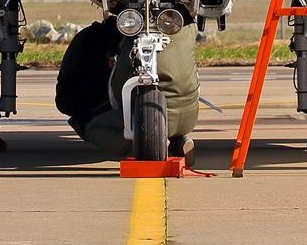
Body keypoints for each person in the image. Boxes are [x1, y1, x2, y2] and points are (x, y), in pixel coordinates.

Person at [55, 17, 200, 160]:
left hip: (146, 117)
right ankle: (177, 138)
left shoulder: (95, 40)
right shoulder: (187, 27)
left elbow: (65, 102)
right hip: (187, 118)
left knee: (92, 127)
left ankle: (149, 143)